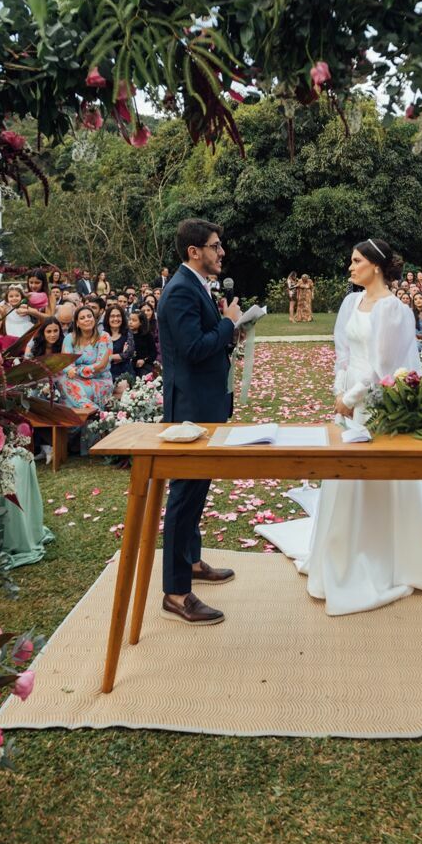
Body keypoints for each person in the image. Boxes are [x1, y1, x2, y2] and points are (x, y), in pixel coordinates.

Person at [256, 238, 422, 613]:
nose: (350, 267)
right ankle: (344, 549)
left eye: (356, 261)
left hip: (376, 402)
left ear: (375, 265)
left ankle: (385, 555)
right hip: (348, 397)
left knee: (377, 472)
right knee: (344, 472)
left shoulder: (394, 310)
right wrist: (339, 386)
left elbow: (384, 368)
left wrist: (353, 397)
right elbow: (343, 349)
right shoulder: (349, 302)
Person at [156, 219, 243, 624]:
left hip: (206, 402)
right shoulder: (179, 292)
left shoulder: (196, 286)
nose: (221, 251)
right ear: (194, 251)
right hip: (190, 408)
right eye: (214, 245)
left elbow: (206, 340)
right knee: (184, 496)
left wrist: (229, 327)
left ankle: (190, 561)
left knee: (196, 491)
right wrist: (229, 324)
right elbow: (192, 349)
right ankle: (175, 592)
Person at [59, 304, 114, 414]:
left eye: (89, 316)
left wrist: (77, 370)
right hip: (75, 380)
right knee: (63, 382)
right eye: (82, 318)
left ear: (94, 319)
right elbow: (66, 362)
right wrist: (70, 370)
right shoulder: (69, 338)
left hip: (100, 380)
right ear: (77, 323)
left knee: (68, 387)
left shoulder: (104, 337)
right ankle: (96, 415)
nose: (87, 319)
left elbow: (101, 366)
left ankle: (96, 416)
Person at [105, 302, 136, 384]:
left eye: (118, 316)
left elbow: (129, 353)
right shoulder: (102, 335)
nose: (115, 319)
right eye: (112, 316)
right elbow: (98, 356)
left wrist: (109, 357)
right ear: (107, 318)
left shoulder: (127, 333)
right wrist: (120, 356)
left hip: (125, 373)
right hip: (106, 374)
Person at [129, 305, 159, 376]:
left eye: (134, 320)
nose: (130, 322)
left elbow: (153, 353)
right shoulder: (126, 335)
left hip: (144, 365)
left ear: (141, 322)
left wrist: (144, 360)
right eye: (130, 319)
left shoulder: (147, 335)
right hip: (129, 365)